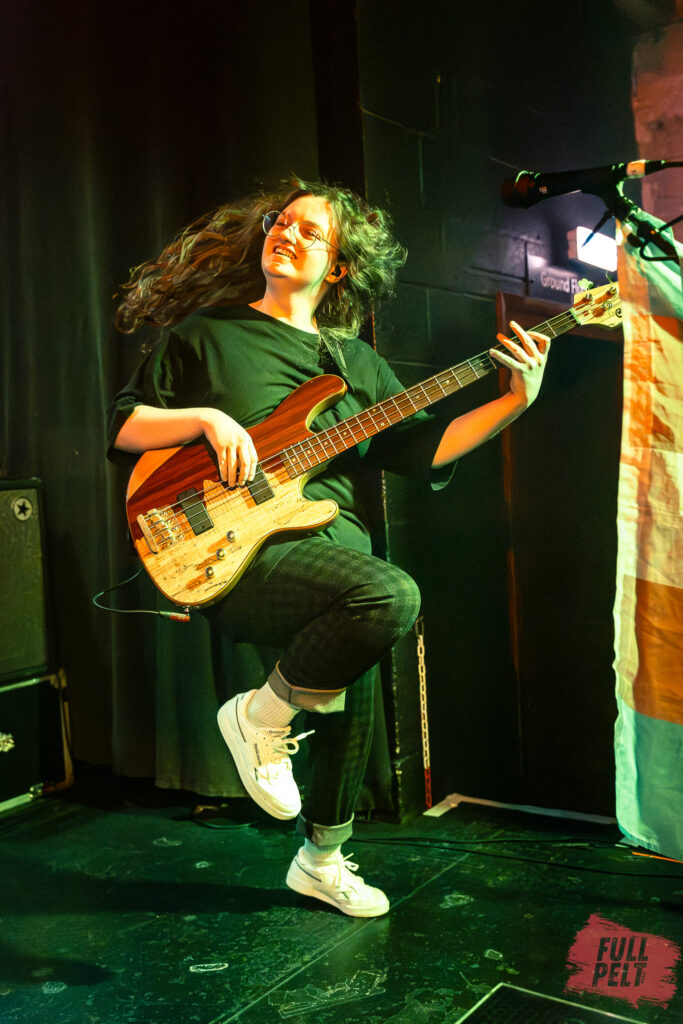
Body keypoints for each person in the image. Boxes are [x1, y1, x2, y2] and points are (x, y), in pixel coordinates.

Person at [107, 177, 549, 918]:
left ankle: (320, 859)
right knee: (389, 593)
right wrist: (208, 420)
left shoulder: (355, 365)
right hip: (227, 550)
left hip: (332, 549)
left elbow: (421, 450)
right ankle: (260, 717)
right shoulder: (206, 335)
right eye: (282, 222)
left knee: (355, 681)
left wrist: (512, 400)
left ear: (338, 266)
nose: (287, 233)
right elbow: (125, 427)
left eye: (311, 232)